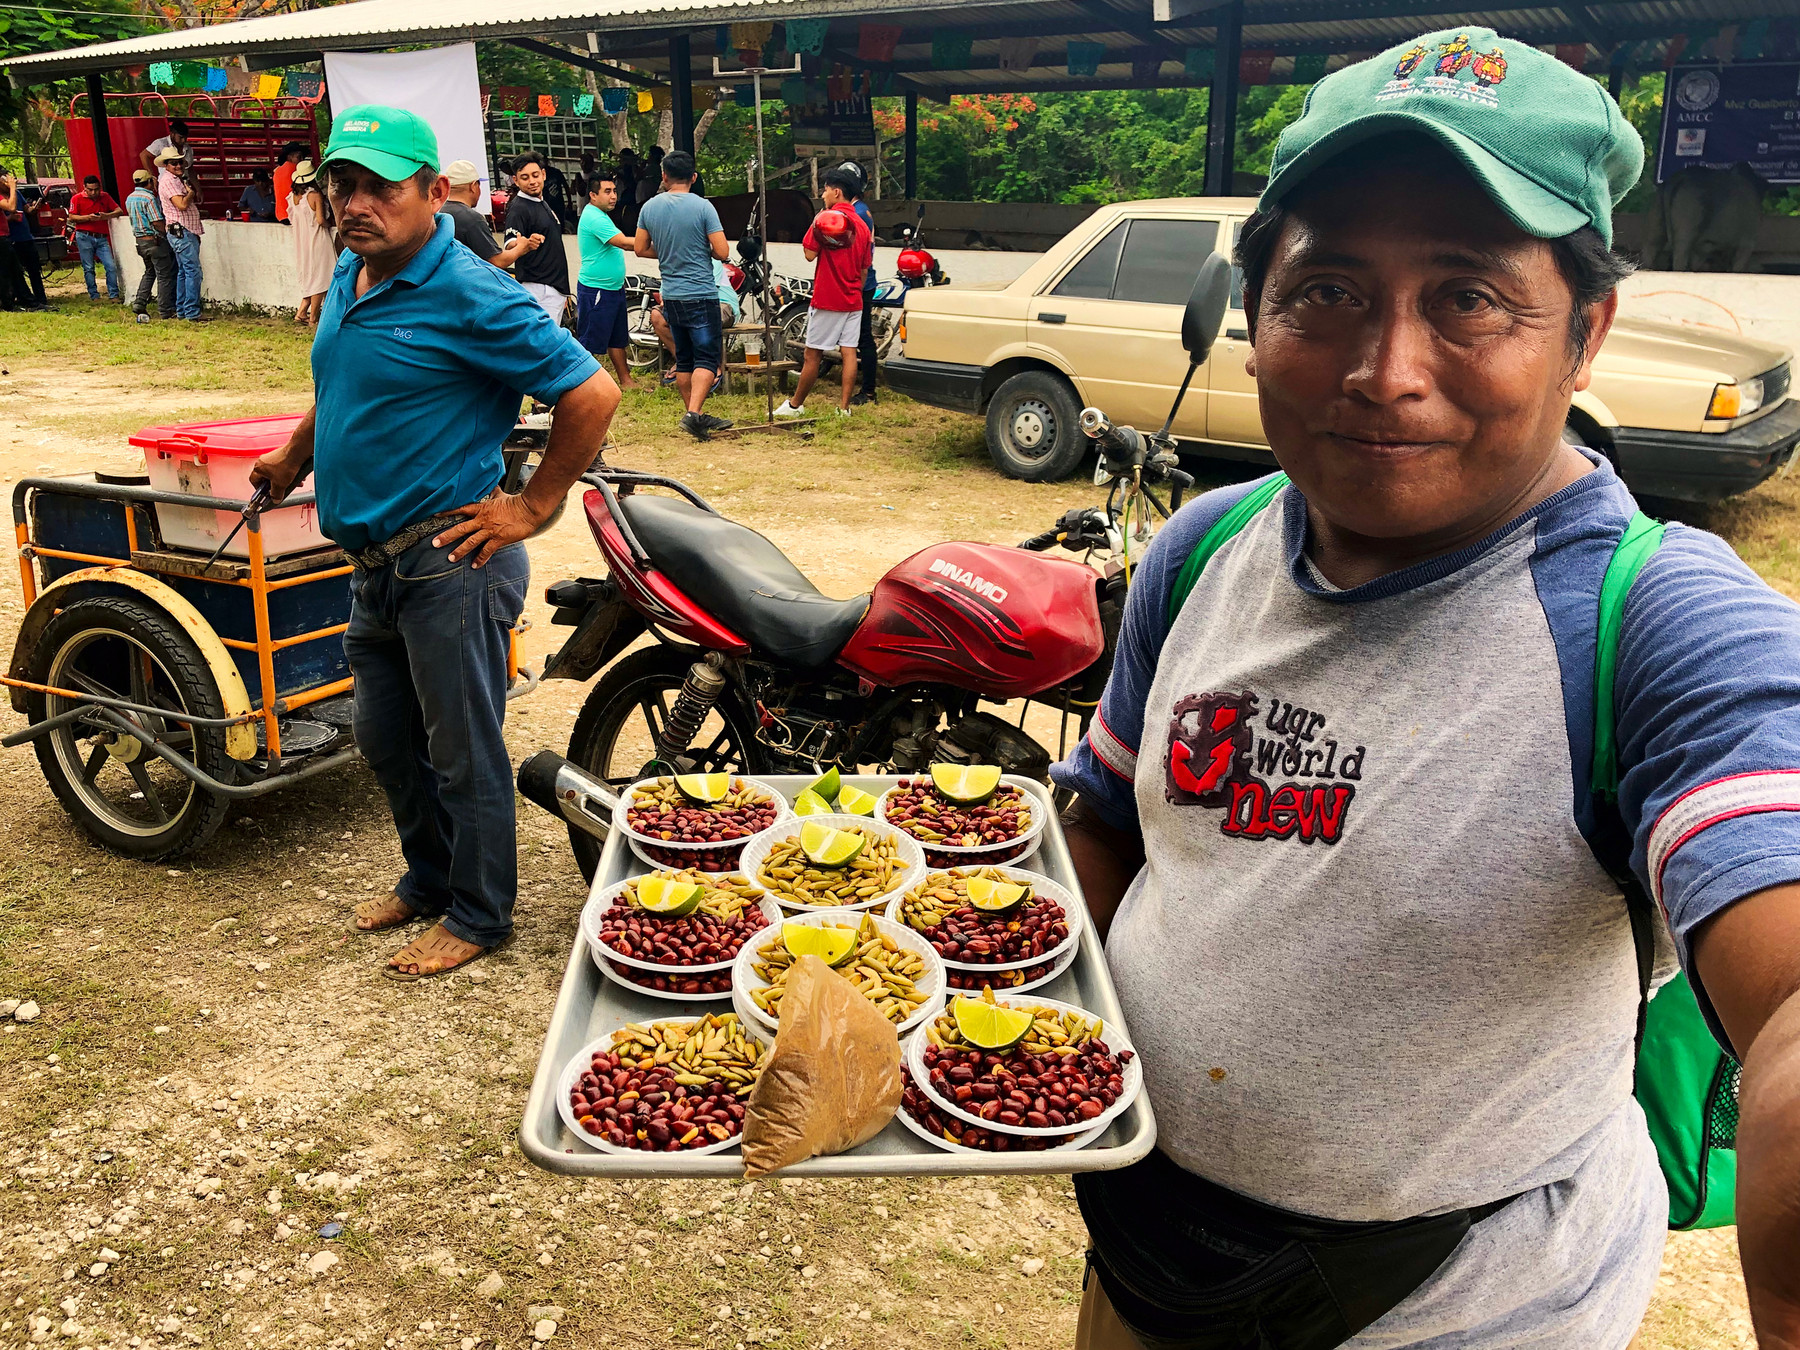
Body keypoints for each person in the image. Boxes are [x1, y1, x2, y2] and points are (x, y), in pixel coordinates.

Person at [1053, 29, 1800, 1350]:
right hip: (1148, 1254)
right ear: (1253, 314)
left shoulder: (1654, 622)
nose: (1383, 369)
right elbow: (1105, 818)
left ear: (1587, 332)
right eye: (1326, 289)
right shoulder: (1203, 549)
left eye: (1468, 296)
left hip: (1461, 1310)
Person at [247, 105, 617, 981]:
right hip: (371, 565)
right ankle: (429, 878)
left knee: (463, 752)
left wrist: (531, 508)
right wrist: (294, 455)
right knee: (384, 738)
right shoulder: (354, 271)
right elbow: (343, 386)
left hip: (449, 563)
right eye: (343, 184)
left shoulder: (470, 289)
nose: (354, 201)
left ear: (434, 192)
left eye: (379, 185)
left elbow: (592, 393)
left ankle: (482, 914)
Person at [634, 149, 731, 440]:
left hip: (672, 295)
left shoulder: (649, 208)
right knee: (706, 358)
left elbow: (640, 248)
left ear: (664, 176)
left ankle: (695, 417)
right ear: (694, 177)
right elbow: (723, 251)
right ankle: (693, 414)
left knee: (685, 358)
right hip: (701, 293)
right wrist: (703, 251)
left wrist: (665, 251)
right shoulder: (703, 208)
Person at [774, 167, 871, 419]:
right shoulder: (862, 224)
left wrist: (818, 220)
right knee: (849, 351)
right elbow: (864, 269)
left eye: (826, 190)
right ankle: (844, 408)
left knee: (812, 354)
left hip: (828, 296)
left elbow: (809, 254)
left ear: (836, 191)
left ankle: (795, 405)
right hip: (853, 298)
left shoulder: (826, 219)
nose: (823, 195)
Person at [575, 168, 636, 389]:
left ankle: (626, 381)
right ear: (593, 195)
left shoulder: (602, 216)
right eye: (607, 191)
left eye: (614, 191)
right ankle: (581, 386)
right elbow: (623, 242)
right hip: (596, 290)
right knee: (589, 342)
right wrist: (658, 246)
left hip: (613, 288)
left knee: (616, 339)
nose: (613, 196)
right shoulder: (593, 216)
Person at [504, 152, 572, 327]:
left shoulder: (542, 202)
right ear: (515, 180)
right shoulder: (518, 207)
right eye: (524, 177)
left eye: (535, 175)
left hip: (553, 288)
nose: (532, 181)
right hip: (538, 288)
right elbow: (510, 243)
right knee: (542, 344)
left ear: (543, 174)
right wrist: (524, 244)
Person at [440, 159, 540, 271]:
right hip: (465, 284)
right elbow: (497, 261)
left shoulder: (438, 213)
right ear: (473, 186)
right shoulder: (471, 219)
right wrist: (522, 247)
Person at [840, 162, 879, 405]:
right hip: (859, 281)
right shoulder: (860, 209)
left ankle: (869, 391)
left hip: (861, 283)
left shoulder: (859, 212)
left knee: (863, 338)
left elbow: (862, 252)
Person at [156, 146, 205, 321]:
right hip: (181, 230)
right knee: (193, 271)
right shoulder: (169, 181)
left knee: (184, 271)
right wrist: (191, 193)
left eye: (179, 162)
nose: (178, 165)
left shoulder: (174, 179)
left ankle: (184, 310)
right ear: (166, 165)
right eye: (174, 163)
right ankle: (191, 311)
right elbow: (182, 205)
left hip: (182, 230)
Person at [288, 161, 334, 325]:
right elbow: (321, 220)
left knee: (310, 276)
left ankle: (301, 312)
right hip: (318, 238)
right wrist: (332, 226)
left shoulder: (293, 197)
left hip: (302, 240)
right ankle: (313, 317)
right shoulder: (315, 196)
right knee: (321, 277)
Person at [126, 168, 175, 323]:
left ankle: (140, 302)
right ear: (149, 181)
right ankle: (165, 309)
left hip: (140, 241)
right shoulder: (149, 198)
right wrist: (166, 233)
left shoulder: (130, 198)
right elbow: (156, 221)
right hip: (154, 240)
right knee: (164, 275)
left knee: (149, 272)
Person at [68, 174, 124, 303]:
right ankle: (94, 295)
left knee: (110, 265)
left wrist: (106, 216)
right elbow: (72, 217)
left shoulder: (105, 196)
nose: (94, 193)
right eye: (91, 190)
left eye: (96, 189)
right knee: (88, 267)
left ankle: (113, 294)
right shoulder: (76, 198)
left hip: (101, 237)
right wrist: (88, 217)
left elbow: (119, 210)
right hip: (84, 235)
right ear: (84, 188)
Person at [0, 170, 49, 310]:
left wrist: (34, 208)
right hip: (7, 238)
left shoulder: (16, 195)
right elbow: (11, 207)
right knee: (10, 272)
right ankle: (13, 302)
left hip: (22, 237)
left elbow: (26, 209)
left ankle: (35, 300)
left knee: (25, 270)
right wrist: (13, 187)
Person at [274, 141, 305, 224]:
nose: (302, 160)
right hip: (295, 214)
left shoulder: (277, 171)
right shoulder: (296, 169)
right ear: (290, 157)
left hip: (281, 215)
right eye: (299, 157)